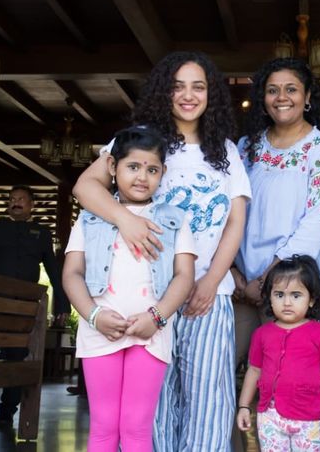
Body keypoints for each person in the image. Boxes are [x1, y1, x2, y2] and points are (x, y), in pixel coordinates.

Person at [73, 51, 251, 451]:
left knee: (208, 406)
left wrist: (210, 280)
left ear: (211, 95)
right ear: (163, 92)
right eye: (178, 86)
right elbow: (85, 187)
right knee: (149, 415)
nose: (188, 95)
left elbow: (236, 222)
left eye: (198, 86)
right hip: (145, 296)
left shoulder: (225, 150)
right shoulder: (139, 139)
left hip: (208, 296)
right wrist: (126, 219)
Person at [232, 57, 320, 449]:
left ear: (308, 97)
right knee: (226, 380)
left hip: (291, 289)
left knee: (296, 385)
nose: (282, 97)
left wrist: (266, 282)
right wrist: (238, 277)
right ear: (262, 99)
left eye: (292, 89)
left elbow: (317, 223)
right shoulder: (246, 149)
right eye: (273, 89)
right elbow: (228, 211)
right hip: (238, 286)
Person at [63, 126, 196, 451]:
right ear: (112, 167)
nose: (142, 177)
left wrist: (157, 316)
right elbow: (72, 273)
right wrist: (93, 316)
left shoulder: (175, 220)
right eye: (133, 167)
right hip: (99, 332)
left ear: (163, 172)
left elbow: (184, 276)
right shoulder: (90, 219)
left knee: (136, 428)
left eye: (152, 169)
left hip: (150, 333)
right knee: (104, 427)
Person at [0, 184, 71, 428]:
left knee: (17, 358)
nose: (16, 202)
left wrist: (62, 304)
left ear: (31, 205)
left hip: (24, 306)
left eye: (21, 199)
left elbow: (53, 271)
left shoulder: (41, 233)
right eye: (12, 199)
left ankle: (7, 413)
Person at [236, 255, 320, 451]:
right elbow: (254, 371)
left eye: (296, 295)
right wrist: (244, 406)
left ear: (311, 300)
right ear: (269, 297)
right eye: (279, 295)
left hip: (309, 419)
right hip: (270, 417)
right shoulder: (262, 334)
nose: (287, 302)